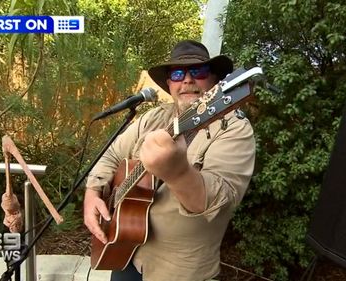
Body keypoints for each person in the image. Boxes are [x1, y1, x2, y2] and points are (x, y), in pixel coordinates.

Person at [83, 40, 256, 281]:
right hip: (125, 251)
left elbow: (221, 201)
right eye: (177, 73)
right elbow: (112, 153)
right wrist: (93, 192)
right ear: (169, 83)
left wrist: (178, 173)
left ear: (215, 80)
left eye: (198, 71)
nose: (187, 79)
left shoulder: (233, 128)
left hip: (180, 271)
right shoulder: (152, 118)